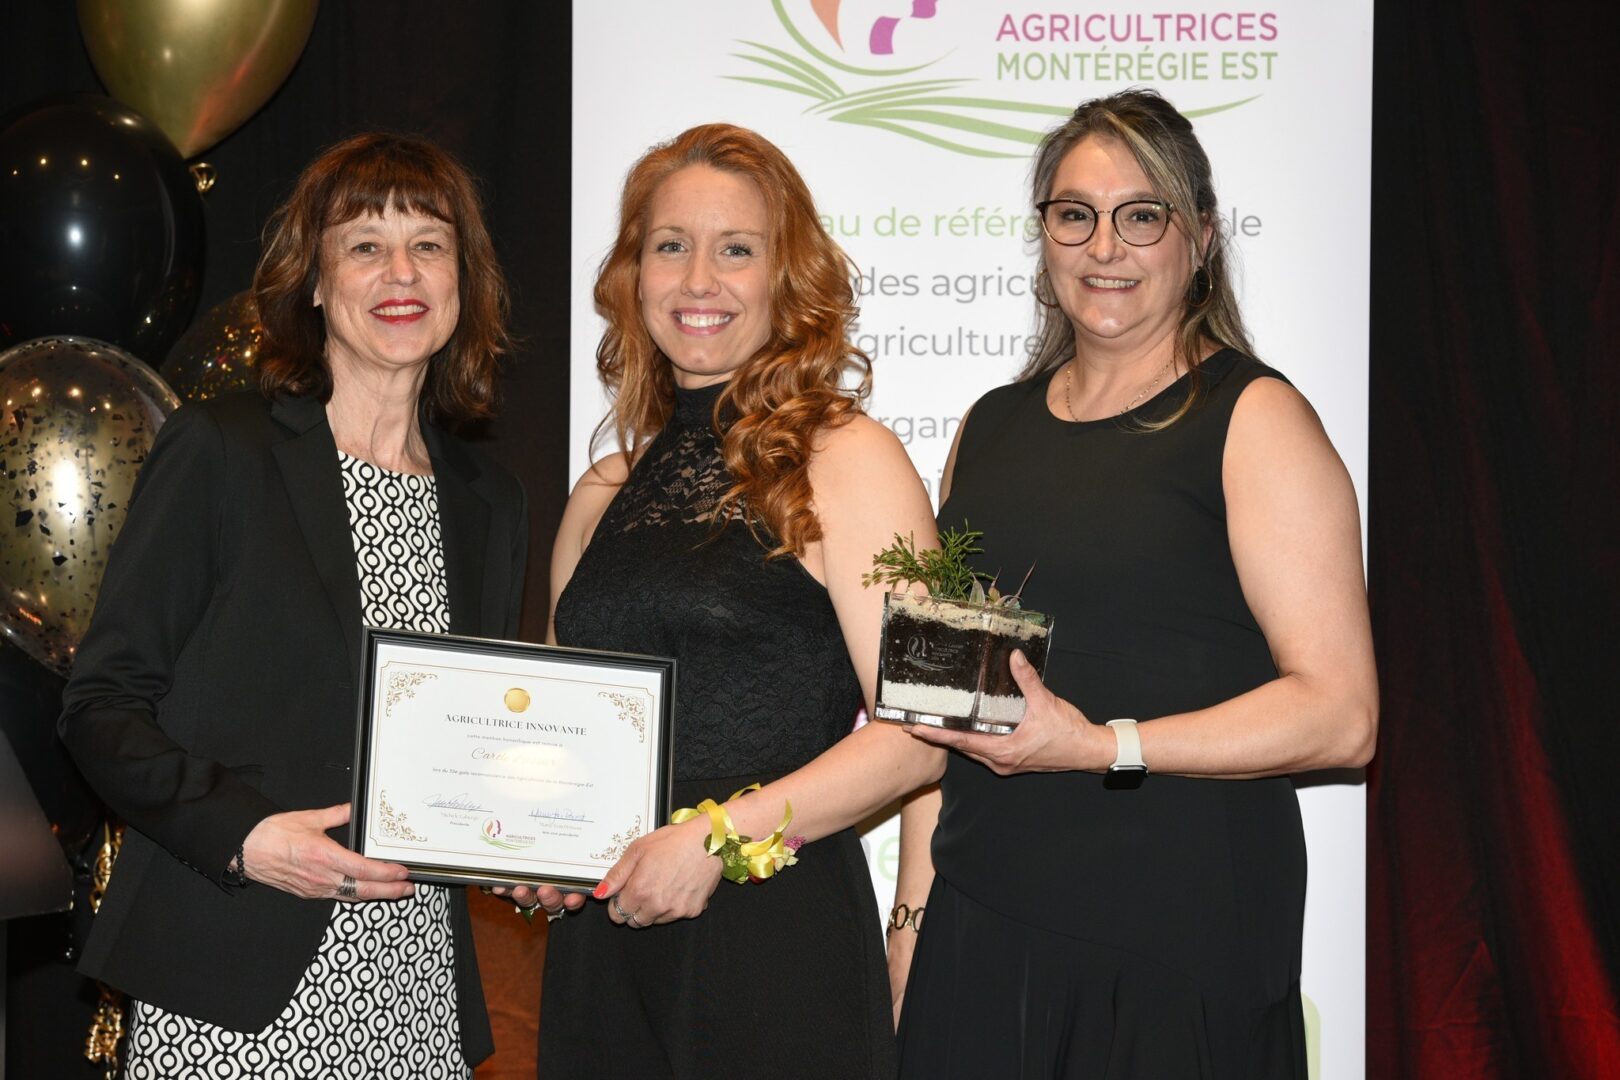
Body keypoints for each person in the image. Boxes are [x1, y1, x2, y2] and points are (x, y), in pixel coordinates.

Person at [888, 89, 1379, 1079]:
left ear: (1196, 238)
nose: (1103, 246)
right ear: (1045, 236)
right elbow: (944, 703)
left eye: (1139, 214)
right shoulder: (989, 428)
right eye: (1074, 214)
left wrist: (1102, 746)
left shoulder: (1256, 418)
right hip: (986, 933)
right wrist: (911, 918)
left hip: (1175, 943)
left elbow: (1342, 717)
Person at [57, 132, 527, 1078]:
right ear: (314, 283)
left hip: (414, 986)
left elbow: (473, 733)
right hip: (231, 971)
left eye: (430, 244)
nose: (402, 271)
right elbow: (100, 706)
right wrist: (245, 837)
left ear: (462, 280)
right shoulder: (222, 452)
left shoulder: (487, 500)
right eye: (364, 245)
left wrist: (523, 835)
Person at [517, 123, 943, 1079]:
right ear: (633, 275)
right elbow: (561, 738)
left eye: (736, 249)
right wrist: (532, 839)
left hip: (773, 947)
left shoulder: (846, 456)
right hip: (606, 948)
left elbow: (926, 729)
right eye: (670, 246)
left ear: (786, 280)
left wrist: (716, 839)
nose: (698, 279)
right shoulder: (600, 494)